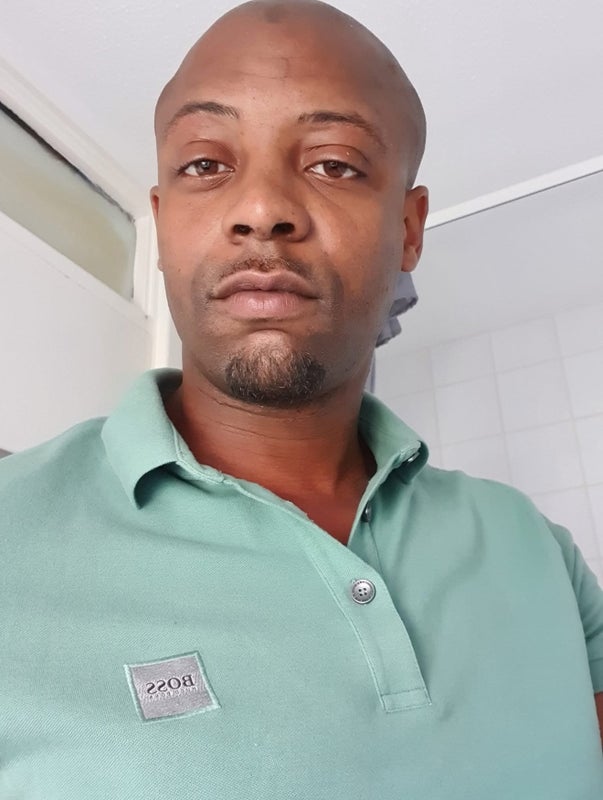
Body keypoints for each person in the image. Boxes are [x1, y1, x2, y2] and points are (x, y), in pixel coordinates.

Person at [1, 1, 602, 797]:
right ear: (163, 224)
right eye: (205, 164)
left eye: (334, 164)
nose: (261, 211)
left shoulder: (534, 546)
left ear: (408, 229)